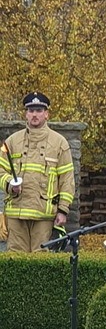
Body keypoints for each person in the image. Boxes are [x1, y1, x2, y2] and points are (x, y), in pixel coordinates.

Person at [0, 92, 75, 252]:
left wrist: (62, 210)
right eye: (31, 110)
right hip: (16, 213)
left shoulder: (59, 143)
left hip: (44, 215)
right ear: (26, 114)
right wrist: (9, 184)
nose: (35, 114)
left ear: (46, 114)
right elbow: (0, 171)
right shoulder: (11, 142)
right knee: (16, 262)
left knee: (41, 262)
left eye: (39, 110)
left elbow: (67, 180)